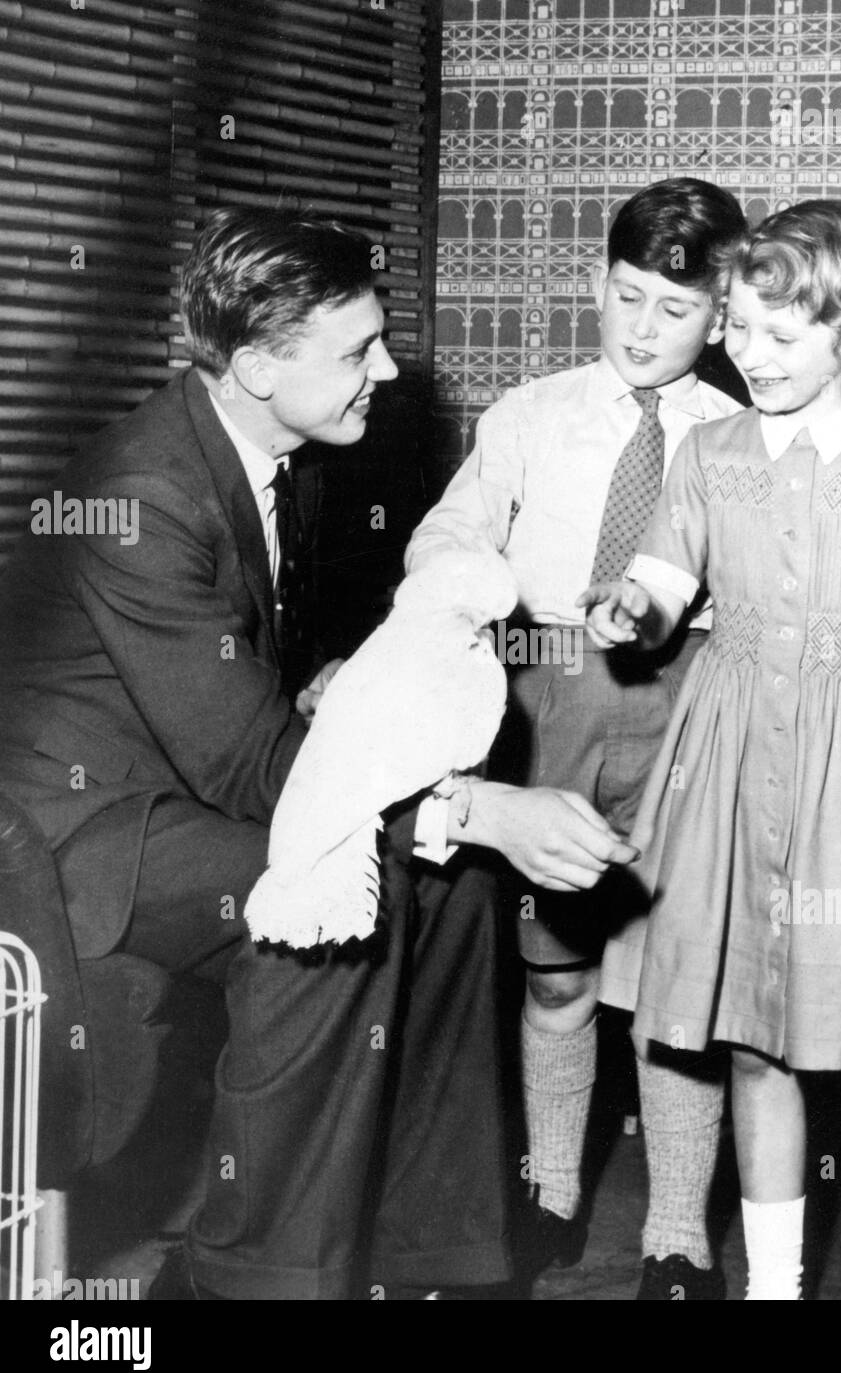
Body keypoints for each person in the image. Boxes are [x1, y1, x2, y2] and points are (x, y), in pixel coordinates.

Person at [0, 208, 636, 1300]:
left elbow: (242, 701)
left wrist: (331, 693)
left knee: (457, 889)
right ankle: (244, 1275)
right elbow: (257, 770)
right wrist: (473, 807)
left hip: (184, 784)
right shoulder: (142, 494)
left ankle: (436, 1251)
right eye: (357, 351)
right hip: (85, 835)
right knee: (335, 896)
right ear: (253, 365)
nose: (386, 371)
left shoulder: (284, 455)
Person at [583, 199, 841, 1300]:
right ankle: (773, 1289)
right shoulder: (708, 451)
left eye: (780, 335)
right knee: (754, 1045)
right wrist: (633, 608)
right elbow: (668, 584)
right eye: (736, 326)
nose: (745, 354)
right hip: (729, 749)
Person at [406, 178, 747, 1299]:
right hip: (544, 693)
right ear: (597, 284)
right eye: (626, 296)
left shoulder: (744, 435)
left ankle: (678, 1235)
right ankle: (549, 1194)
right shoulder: (526, 415)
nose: (644, 330)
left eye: (677, 310)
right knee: (553, 974)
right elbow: (453, 530)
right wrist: (451, 585)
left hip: (690, 706)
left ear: (725, 310)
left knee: (676, 989)